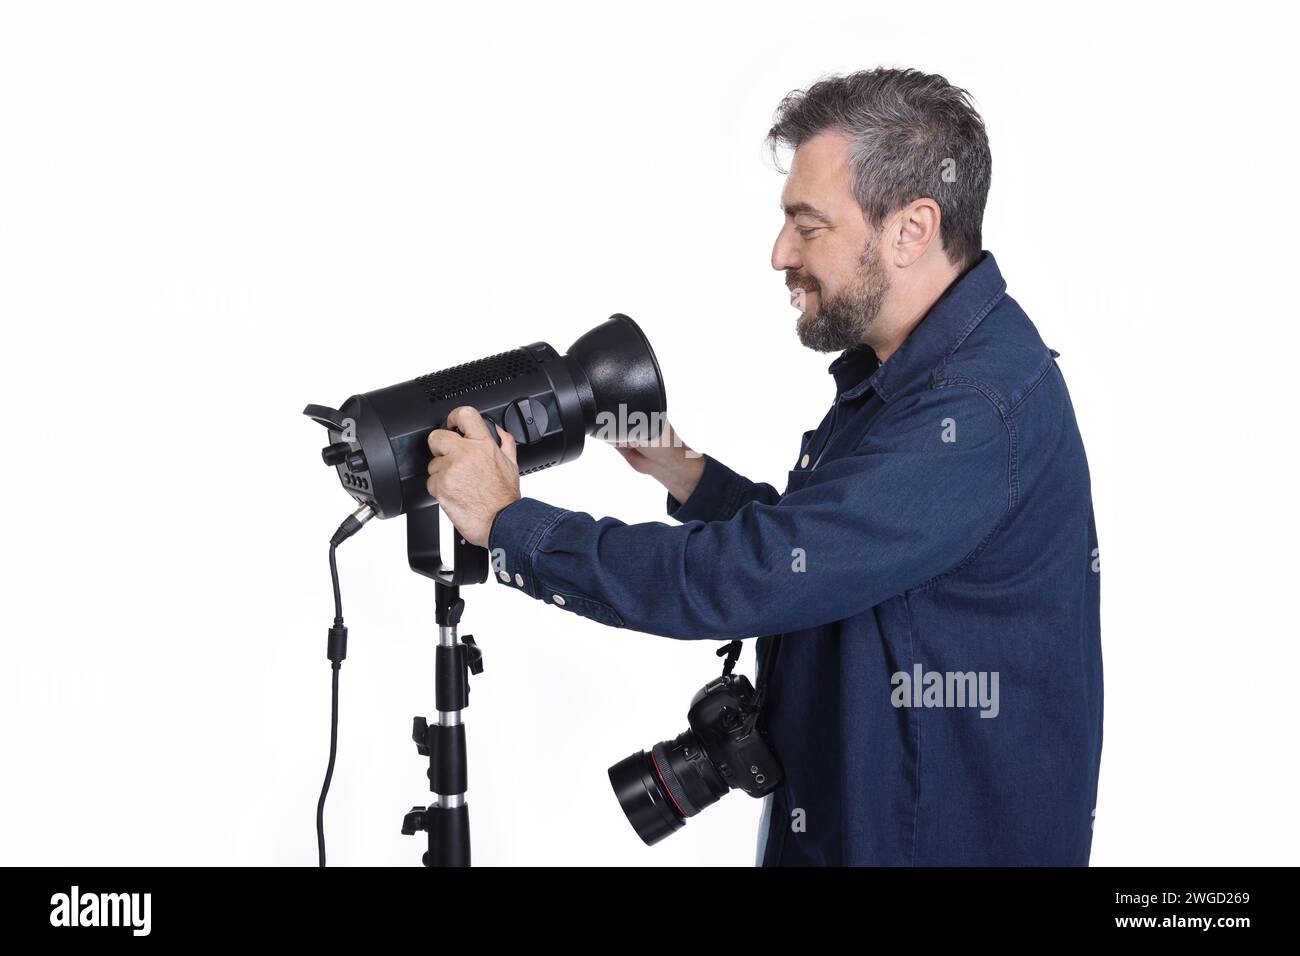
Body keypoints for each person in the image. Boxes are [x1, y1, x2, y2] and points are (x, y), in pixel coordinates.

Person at [425, 67, 1103, 866]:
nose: (779, 252)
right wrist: (687, 474)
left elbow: (749, 578)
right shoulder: (906, 375)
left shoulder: (975, 411)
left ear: (911, 229)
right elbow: (829, 550)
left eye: (807, 224)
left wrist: (510, 525)